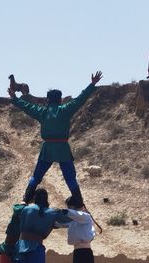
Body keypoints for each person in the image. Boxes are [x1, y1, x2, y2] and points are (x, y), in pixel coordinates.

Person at [8, 71, 103, 206]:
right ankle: (79, 200)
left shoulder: (43, 111)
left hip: (48, 148)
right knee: (70, 177)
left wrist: (15, 99)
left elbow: (27, 107)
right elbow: (80, 100)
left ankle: (25, 199)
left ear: (48, 100)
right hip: (62, 148)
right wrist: (92, 84)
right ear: (60, 99)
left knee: (37, 176)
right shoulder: (65, 110)